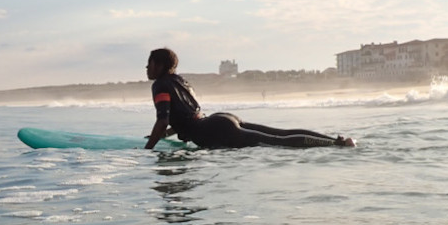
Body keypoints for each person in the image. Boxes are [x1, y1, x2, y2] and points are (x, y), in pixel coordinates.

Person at [144, 48, 356, 150]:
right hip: (220, 120)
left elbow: (163, 119)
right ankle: (334, 140)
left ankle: (336, 145)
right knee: (280, 135)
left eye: (150, 63)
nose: (147, 68)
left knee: (276, 142)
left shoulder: (160, 84)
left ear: (160, 65)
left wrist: (148, 150)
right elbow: (185, 118)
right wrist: (163, 135)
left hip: (215, 128)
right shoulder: (180, 81)